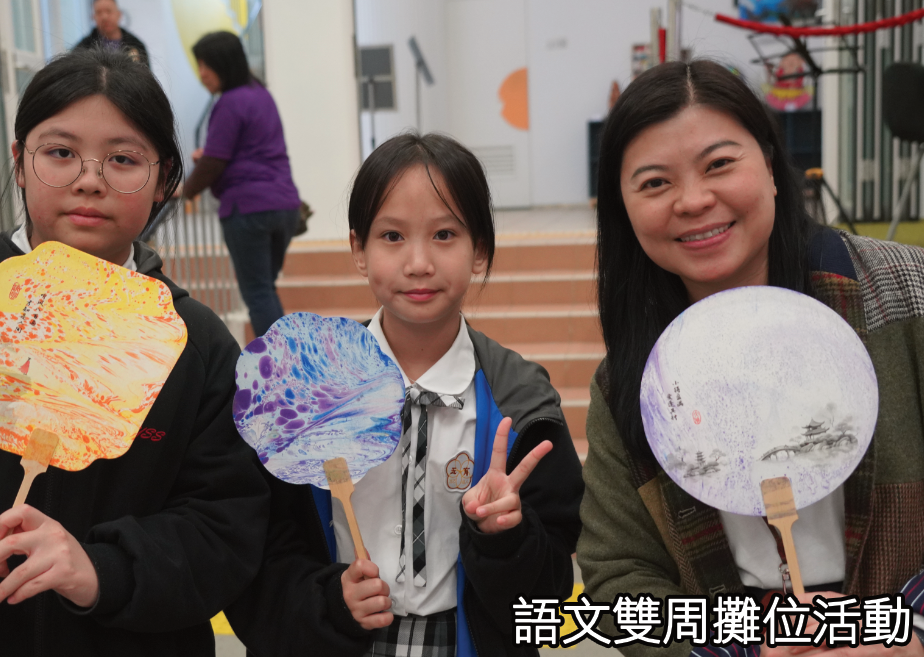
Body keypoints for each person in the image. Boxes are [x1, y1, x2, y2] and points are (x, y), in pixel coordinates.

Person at [0, 48, 268, 656]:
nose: (89, 180)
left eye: (123, 159)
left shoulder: (196, 347)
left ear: (163, 181)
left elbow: (223, 526)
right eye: (60, 153)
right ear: (19, 162)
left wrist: (102, 570)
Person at [577, 59, 924, 656]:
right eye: (655, 183)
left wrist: (910, 631)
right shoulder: (632, 383)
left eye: (719, 164)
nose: (694, 200)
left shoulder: (906, 294)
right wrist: (741, 648)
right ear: (622, 209)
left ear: (769, 162)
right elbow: (617, 575)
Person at [225, 133, 585, 657]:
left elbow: (548, 591)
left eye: (445, 234)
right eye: (392, 236)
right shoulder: (307, 391)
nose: (418, 262)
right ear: (359, 249)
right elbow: (258, 555)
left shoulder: (521, 402)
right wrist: (329, 601)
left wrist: (505, 537)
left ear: (480, 250)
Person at [182, 31, 301, 338]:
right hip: (285, 205)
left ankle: (277, 360)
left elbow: (214, 161)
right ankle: (284, 354)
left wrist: (184, 191)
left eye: (206, 65)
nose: (202, 74)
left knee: (258, 293)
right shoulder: (261, 94)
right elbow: (249, 149)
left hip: (248, 208)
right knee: (265, 289)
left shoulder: (229, 103)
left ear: (224, 63)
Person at [74, 0, 148, 65]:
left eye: (108, 11)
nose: (104, 17)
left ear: (119, 14)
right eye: (99, 12)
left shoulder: (136, 45)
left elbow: (145, 74)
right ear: (93, 17)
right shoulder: (83, 48)